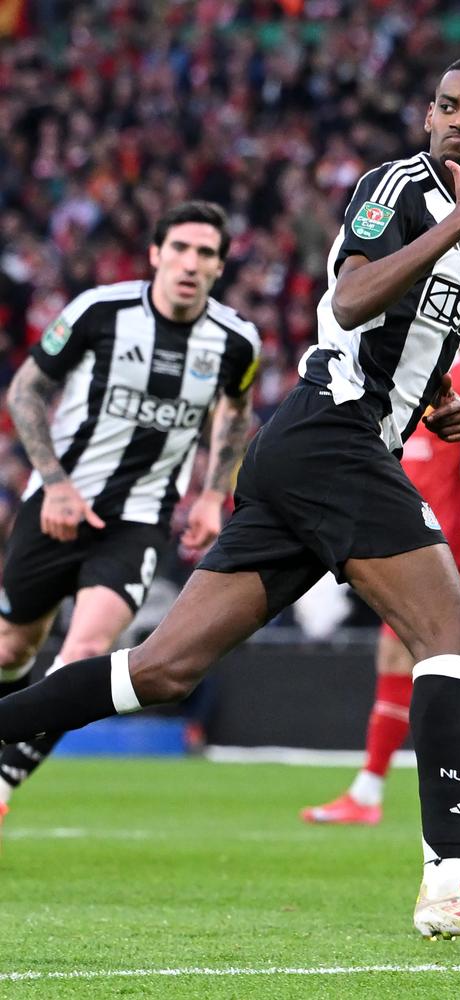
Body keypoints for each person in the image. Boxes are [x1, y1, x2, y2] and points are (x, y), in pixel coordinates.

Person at [0, 56, 460, 941]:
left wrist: (438, 395)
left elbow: (413, 335)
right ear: (426, 114)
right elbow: (349, 301)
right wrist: (455, 223)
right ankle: (450, 880)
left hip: (320, 450)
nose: (458, 120)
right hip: (327, 439)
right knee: (450, 633)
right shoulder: (405, 190)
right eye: (446, 105)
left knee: (162, 670)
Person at [0, 200, 260, 820]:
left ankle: (4, 783)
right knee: (12, 648)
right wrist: (56, 483)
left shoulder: (234, 341)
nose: (190, 264)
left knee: (87, 647)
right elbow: (26, 389)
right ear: (155, 254)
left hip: (138, 521)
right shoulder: (99, 311)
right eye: (180, 249)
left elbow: (235, 410)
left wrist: (210, 494)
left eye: (205, 254)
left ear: (220, 267)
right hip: (58, 506)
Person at [301, 353, 460, 827]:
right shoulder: (397, 374)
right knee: (440, 660)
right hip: (403, 541)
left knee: (413, 657)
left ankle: (368, 792)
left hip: (449, 548)